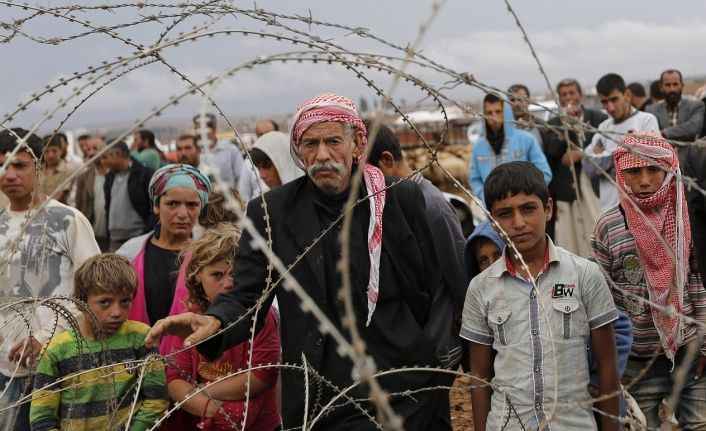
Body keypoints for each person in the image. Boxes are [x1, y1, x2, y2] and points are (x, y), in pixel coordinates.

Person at [147, 93, 452, 430]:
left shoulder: (400, 200)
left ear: (356, 146)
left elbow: (432, 286)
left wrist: (432, 359)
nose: (322, 155)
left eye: (333, 141)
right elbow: (249, 294)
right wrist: (216, 322)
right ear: (298, 151)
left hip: (403, 381)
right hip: (324, 389)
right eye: (310, 144)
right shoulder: (272, 212)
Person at [461, 161, 620, 430]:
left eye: (528, 209)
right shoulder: (481, 288)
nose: (519, 223)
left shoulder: (584, 275)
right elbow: (480, 376)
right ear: (493, 221)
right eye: (505, 214)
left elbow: (607, 364)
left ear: (548, 208)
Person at [592, 134, 706, 429]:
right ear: (621, 173)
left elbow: (699, 284)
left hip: (690, 350)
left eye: (654, 170)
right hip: (636, 360)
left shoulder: (687, 217)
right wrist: (611, 360)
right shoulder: (609, 226)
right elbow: (603, 297)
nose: (644, 181)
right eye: (634, 171)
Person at [0, 128, 100, 431]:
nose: (10, 175)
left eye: (19, 165)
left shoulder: (67, 221)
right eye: (4, 166)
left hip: (57, 367)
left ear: (39, 167)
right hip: (4, 370)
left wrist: (45, 339)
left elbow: (97, 292)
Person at [367, 122, 466, 376]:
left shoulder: (431, 205)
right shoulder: (386, 204)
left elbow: (458, 273)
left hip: (437, 341)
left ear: (386, 161)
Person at [29, 254, 168, 430]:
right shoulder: (57, 350)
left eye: (125, 301)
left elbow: (156, 399)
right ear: (81, 302)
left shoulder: (141, 338)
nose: (117, 312)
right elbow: (42, 417)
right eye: (105, 302)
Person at [165, 225, 281, 431]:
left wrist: (202, 390)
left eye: (235, 275)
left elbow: (262, 377)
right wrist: (212, 409)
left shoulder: (261, 316)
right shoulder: (191, 317)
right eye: (217, 275)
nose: (228, 284)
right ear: (197, 275)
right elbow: (175, 379)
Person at [117, 164, 212, 326]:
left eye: (192, 205)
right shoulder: (130, 254)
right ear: (156, 206)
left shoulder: (208, 256)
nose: (182, 214)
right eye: (172, 204)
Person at [542, 78, 607, 255]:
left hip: (594, 186)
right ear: (559, 98)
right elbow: (552, 152)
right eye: (564, 94)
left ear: (580, 94)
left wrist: (582, 153)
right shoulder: (553, 123)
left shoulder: (598, 118)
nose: (569, 97)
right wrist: (566, 125)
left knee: (597, 232)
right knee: (569, 240)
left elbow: (605, 147)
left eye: (572, 93)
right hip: (565, 190)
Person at [584, 73, 660, 211]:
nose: (610, 107)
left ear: (627, 95)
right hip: (609, 209)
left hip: (640, 208)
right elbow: (588, 167)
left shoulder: (646, 121)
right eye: (605, 102)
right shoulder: (603, 127)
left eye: (614, 99)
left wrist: (604, 157)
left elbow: (648, 163)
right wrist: (625, 152)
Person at [468, 93, 552, 203]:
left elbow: (545, 173)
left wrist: (524, 195)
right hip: (493, 210)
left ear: (506, 112)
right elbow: (474, 179)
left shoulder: (526, 140)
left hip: (524, 206)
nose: (493, 117)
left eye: (498, 112)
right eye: (489, 113)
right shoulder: (479, 146)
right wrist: (485, 196)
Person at [103, 141, 155, 251]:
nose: (105, 161)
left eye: (107, 156)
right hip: (114, 241)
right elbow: (107, 207)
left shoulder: (144, 175)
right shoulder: (109, 178)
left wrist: (146, 232)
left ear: (117, 154)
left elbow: (153, 208)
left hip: (138, 238)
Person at [647, 69, 705, 142]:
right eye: (667, 85)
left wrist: (663, 133)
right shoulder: (651, 110)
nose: (672, 89)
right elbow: (650, 134)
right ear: (661, 87)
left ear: (682, 85)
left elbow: (693, 128)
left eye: (675, 84)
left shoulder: (696, 106)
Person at [74, 136, 110, 251]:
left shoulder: (114, 174)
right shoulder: (83, 177)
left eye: (95, 148)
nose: (91, 152)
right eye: (89, 149)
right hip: (92, 234)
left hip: (113, 235)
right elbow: (79, 205)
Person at [39, 134, 75, 203]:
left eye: (54, 151)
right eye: (46, 151)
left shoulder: (67, 170)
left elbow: (60, 196)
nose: (50, 155)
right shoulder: (37, 170)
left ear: (61, 151)